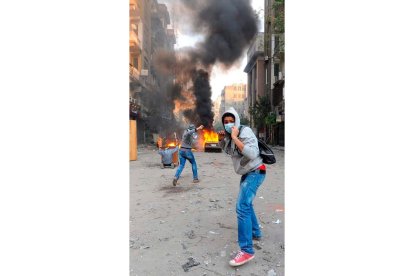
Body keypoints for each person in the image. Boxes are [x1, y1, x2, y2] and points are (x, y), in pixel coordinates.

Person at [218, 107, 266, 267]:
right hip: (247, 173)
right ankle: (256, 232)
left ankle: (247, 251)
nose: (228, 123)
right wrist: (223, 139)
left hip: (256, 172)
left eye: (231, 120)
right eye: (225, 122)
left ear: (236, 120)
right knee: (247, 204)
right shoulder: (230, 137)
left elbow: (252, 153)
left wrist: (234, 137)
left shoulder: (244, 132)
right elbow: (228, 152)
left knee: (242, 207)